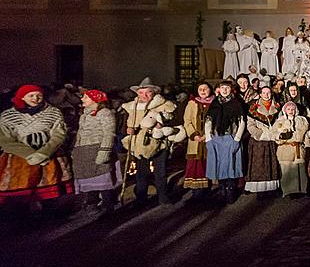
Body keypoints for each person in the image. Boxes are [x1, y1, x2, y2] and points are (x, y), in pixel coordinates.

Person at [0, 85, 71, 212]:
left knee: (48, 193)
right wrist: (29, 154)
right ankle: (21, 220)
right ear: (22, 96)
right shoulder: (7, 115)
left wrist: (44, 153)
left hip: (48, 155)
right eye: (31, 95)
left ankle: (49, 218)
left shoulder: (53, 112)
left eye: (39, 95)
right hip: (19, 157)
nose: (35, 98)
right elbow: (5, 140)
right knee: (20, 193)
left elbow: (58, 134)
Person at [122, 77, 177, 208]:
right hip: (141, 144)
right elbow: (128, 122)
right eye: (141, 92)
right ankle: (141, 198)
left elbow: (170, 116)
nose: (144, 95)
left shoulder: (162, 104)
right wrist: (129, 129)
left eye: (148, 92)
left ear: (154, 93)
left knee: (160, 172)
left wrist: (162, 122)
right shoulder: (133, 107)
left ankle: (163, 197)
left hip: (158, 143)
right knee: (142, 172)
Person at [69, 89, 119, 214]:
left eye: (85, 97)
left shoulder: (105, 113)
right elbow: (80, 134)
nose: (82, 99)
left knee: (103, 178)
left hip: (97, 148)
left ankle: (108, 206)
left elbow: (109, 133)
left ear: (95, 100)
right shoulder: (85, 114)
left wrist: (105, 151)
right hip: (84, 150)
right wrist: (76, 148)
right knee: (88, 177)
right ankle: (92, 202)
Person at [205, 81, 246, 204]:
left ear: (231, 89)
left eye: (227, 88)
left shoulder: (236, 103)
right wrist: (208, 138)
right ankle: (222, 191)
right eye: (222, 87)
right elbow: (208, 121)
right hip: (217, 139)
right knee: (220, 166)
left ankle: (230, 192)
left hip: (231, 138)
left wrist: (237, 139)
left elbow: (242, 122)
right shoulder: (215, 103)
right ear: (219, 89)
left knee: (232, 166)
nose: (224, 90)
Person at [245, 86, 282, 196]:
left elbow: (280, 122)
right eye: (264, 93)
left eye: (269, 92)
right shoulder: (253, 107)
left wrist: (275, 133)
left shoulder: (277, 107)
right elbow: (250, 125)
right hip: (258, 140)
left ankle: (272, 188)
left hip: (272, 140)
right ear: (260, 94)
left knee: (272, 163)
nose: (266, 95)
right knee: (259, 165)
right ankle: (260, 190)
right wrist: (260, 134)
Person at [182, 82, 214, 200]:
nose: (203, 91)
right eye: (200, 89)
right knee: (195, 165)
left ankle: (207, 190)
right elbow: (187, 120)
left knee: (208, 163)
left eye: (205, 88)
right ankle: (196, 192)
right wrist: (194, 135)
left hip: (209, 139)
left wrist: (206, 135)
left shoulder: (214, 103)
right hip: (195, 141)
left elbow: (216, 121)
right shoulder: (192, 103)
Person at [275, 101, 309, 196]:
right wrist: (281, 137)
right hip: (285, 149)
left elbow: (302, 134)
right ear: (285, 110)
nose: (291, 111)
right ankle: (288, 191)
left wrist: (295, 133)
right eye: (289, 109)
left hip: (297, 148)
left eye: (293, 109)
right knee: (287, 169)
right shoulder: (280, 121)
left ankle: (302, 189)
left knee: (300, 169)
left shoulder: (301, 120)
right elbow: (274, 134)